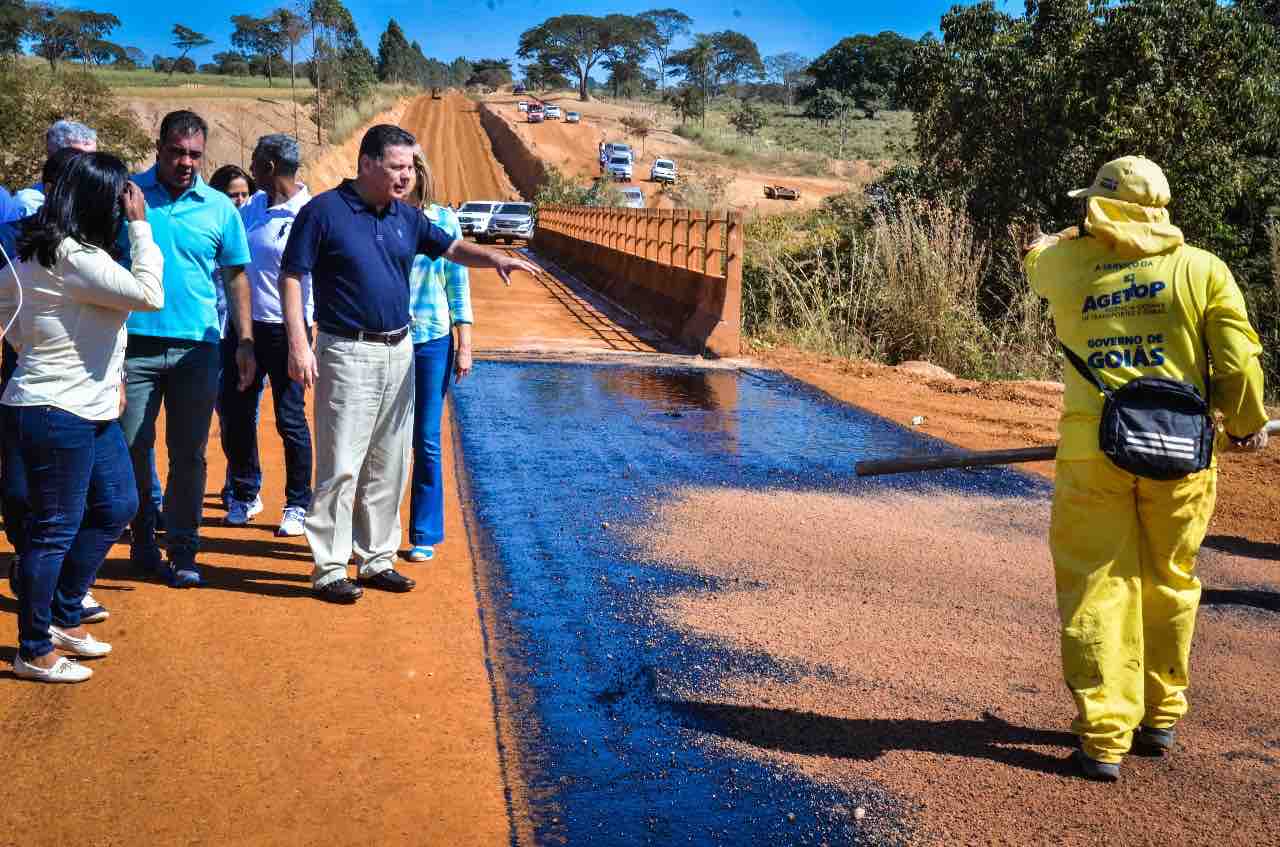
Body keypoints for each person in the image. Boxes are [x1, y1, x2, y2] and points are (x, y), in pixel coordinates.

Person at [1023, 156, 1269, 782]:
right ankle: (1160, 717)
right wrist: (1244, 426)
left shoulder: (1067, 264)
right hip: (1181, 455)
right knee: (1170, 579)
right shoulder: (1202, 270)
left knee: (1099, 586)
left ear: (1098, 207)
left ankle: (1105, 737)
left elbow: (1034, 255)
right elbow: (1238, 365)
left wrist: (1076, 235)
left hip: (1092, 452)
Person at [280, 124, 538, 604]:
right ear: (367, 164)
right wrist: (298, 342)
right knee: (340, 463)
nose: (406, 176)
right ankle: (331, 567)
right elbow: (293, 275)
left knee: (390, 461)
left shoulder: (406, 217)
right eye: (397, 167)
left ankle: (377, 558)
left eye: (410, 168)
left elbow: (453, 248)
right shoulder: (324, 213)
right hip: (346, 350)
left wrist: (494, 259)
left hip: (400, 349)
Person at [0, 153, 164, 682]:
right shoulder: (71, 257)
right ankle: (33, 647)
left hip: (86, 405)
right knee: (54, 529)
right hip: (55, 409)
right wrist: (142, 229)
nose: (126, 205)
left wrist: (35, 345)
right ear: (99, 200)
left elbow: (11, 311)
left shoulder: (51, 253)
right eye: (121, 197)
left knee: (118, 503)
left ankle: (64, 615)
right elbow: (150, 295)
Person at [120, 110, 254, 589]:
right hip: (132, 346)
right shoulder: (128, 195)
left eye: (195, 154)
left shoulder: (220, 207)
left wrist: (244, 339)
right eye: (177, 152)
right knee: (133, 447)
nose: (185, 162)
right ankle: (141, 540)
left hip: (198, 348)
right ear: (159, 148)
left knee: (189, 453)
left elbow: (236, 275)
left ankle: (182, 548)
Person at [218, 135, 313, 535]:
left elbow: (320, 279)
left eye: (255, 160)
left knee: (289, 419)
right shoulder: (251, 207)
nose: (250, 166)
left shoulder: (310, 213)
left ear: (270, 166)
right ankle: (244, 493)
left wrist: (307, 340)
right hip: (244, 329)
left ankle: (297, 503)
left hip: (289, 332)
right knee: (237, 414)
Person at [403, 148, 472, 562]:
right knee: (383, 439)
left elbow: (457, 287)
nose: (405, 175)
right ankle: (375, 528)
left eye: (411, 168)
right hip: (385, 339)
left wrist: (465, 345)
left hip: (432, 341)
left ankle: (424, 532)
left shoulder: (444, 220)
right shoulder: (380, 216)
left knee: (425, 438)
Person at [207, 164, 262, 514]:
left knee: (243, 412)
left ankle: (244, 487)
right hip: (210, 328)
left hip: (247, 332)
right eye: (232, 195)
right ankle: (238, 479)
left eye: (244, 194)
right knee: (223, 411)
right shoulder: (212, 226)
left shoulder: (256, 228)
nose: (239, 201)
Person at [12, 120, 99, 218]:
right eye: (80, 158)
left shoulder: (101, 197)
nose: (91, 165)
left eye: (94, 157)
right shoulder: (28, 204)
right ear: (54, 156)